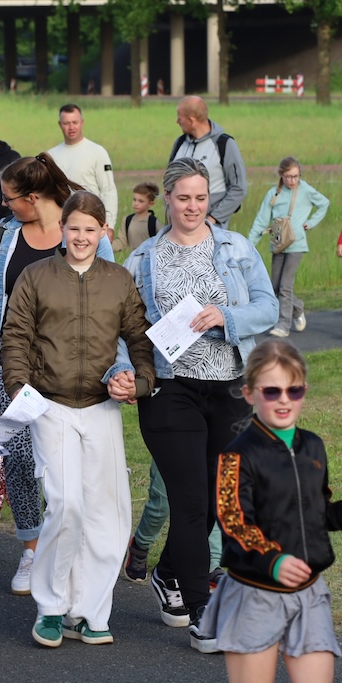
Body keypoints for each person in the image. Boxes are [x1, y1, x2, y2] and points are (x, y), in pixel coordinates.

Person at [122, 158, 277, 653]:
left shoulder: (235, 248)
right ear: (166, 198)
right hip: (172, 391)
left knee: (215, 502)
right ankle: (201, 612)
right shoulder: (143, 259)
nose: (192, 207)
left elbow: (268, 307)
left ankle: (167, 573)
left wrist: (225, 314)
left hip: (229, 386)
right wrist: (121, 371)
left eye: (201, 198)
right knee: (190, 502)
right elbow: (126, 331)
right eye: (183, 197)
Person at [0, 153, 115, 597]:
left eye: (10, 199)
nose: (4, 207)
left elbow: (112, 295)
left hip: (74, 365)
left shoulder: (83, 232)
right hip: (16, 362)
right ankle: (31, 548)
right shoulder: (6, 234)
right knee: (22, 456)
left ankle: (71, 549)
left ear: (32, 197)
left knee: (70, 464)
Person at [2, 190, 155, 648]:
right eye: (75, 229)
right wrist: (19, 389)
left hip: (103, 408)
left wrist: (139, 381)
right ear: (63, 230)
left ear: (103, 232)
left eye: (91, 230)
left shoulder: (119, 279)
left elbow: (140, 338)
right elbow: (15, 337)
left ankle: (90, 611)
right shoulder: (35, 276)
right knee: (66, 505)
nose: (82, 237)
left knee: (107, 514)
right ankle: (51, 608)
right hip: (51, 406)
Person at [200, 340, 342, 681]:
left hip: (309, 592)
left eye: (293, 391)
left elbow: (319, 515)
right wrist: (273, 560)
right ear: (249, 393)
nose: (283, 399)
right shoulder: (236, 455)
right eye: (272, 391)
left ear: (304, 391)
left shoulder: (313, 446)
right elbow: (233, 522)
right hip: (255, 594)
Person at [247, 157, 330, 338]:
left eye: (296, 176)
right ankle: (298, 308)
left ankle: (283, 325)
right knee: (275, 287)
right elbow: (261, 220)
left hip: (297, 244)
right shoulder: (273, 194)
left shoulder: (306, 190)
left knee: (285, 286)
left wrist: (311, 222)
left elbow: (324, 203)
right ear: (281, 176)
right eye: (289, 177)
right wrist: (248, 246)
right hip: (278, 243)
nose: (293, 180)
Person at [170, 96, 247, 228]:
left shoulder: (224, 144)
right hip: (178, 231)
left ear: (191, 120)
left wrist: (212, 219)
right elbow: (169, 184)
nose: (177, 121)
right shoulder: (179, 143)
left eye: (180, 117)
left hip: (211, 231)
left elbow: (239, 188)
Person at [47, 104, 118, 229]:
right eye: (66, 123)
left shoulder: (97, 152)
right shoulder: (51, 156)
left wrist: (110, 225)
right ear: (59, 124)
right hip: (61, 225)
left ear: (82, 122)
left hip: (91, 221)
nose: (71, 127)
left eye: (75, 122)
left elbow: (108, 191)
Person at [113, 182, 160, 253]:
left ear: (151, 203)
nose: (136, 203)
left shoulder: (154, 223)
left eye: (141, 201)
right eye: (134, 200)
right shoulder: (127, 220)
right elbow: (121, 243)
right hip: (133, 262)